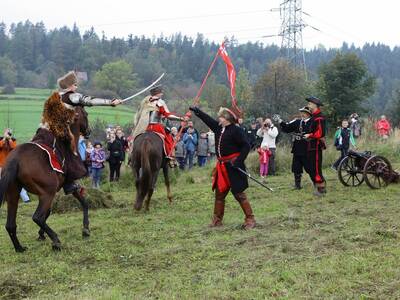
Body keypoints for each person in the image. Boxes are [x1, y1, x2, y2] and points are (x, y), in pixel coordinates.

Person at [37, 71, 122, 194]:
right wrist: (110, 102)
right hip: (58, 132)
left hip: (43, 131)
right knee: (71, 152)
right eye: (75, 85)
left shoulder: (54, 97)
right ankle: (68, 183)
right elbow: (89, 100)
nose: (76, 87)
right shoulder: (71, 96)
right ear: (71, 86)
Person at [189, 106, 256, 230]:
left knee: (239, 194)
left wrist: (239, 161)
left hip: (234, 166)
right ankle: (217, 220)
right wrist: (197, 111)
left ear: (226, 118)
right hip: (222, 167)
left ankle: (250, 219)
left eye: (220, 116)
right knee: (219, 195)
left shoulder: (236, 130)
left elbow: (246, 146)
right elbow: (207, 119)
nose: (218, 118)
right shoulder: (219, 128)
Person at [131, 85, 187, 166]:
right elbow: (169, 116)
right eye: (161, 93)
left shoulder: (145, 101)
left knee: (134, 140)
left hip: (144, 127)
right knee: (169, 139)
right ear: (157, 93)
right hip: (156, 127)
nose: (162, 94)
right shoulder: (160, 102)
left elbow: (138, 114)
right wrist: (181, 118)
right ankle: (170, 158)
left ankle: (131, 157)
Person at [277, 106, 312, 189]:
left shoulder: (313, 123)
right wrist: (280, 121)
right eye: (302, 112)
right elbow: (287, 128)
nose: (302, 114)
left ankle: (316, 183)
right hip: (297, 147)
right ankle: (297, 185)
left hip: (308, 148)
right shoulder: (297, 122)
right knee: (296, 167)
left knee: (309, 167)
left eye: (304, 113)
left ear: (308, 114)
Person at [303, 96, 327, 196]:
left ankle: (321, 189)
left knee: (316, 167)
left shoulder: (319, 117)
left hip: (316, 146)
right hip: (311, 145)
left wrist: (310, 135)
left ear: (315, 105)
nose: (308, 105)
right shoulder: (313, 117)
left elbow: (320, 133)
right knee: (311, 167)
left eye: (310, 103)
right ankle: (319, 186)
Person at [0, 128, 30, 203]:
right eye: (7, 133)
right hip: (1, 165)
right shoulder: (1, 139)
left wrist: (9, 139)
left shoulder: (13, 140)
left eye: (9, 133)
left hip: (10, 166)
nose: (8, 134)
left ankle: (26, 199)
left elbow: (14, 148)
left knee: (17, 181)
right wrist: (4, 138)